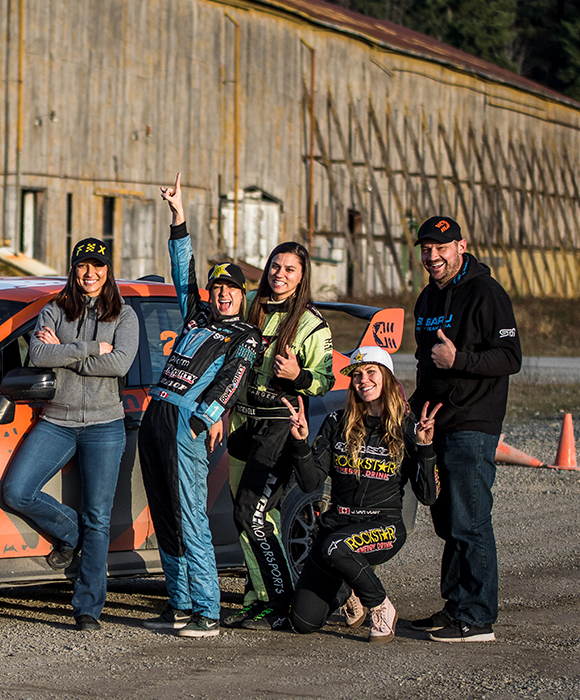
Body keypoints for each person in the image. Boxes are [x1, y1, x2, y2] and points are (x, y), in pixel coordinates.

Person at [138, 173, 261, 638]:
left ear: (243, 294)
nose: (223, 294)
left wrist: (204, 418)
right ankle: (180, 603)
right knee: (165, 514)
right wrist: (178, 216)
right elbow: (182, 271)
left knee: (190, 516)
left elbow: (232, 380)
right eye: (217, 288)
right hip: (156, 414)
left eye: (231, 288)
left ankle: (208, 610)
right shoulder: (198, 315)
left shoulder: (245, 335)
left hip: (185, 422)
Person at [2, 236, 139, 632]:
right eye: (83, 265)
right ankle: (71, 533)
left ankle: (87, 608)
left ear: (107, 270)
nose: (90, 273)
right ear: (73, 269)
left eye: (97, 265)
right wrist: (90, 347)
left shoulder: (124, 315)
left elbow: (119, 364)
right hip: (57, 420)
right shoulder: (54, 309)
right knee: (17, 491)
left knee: (99, 517)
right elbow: (38, 355)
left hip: (105, 425)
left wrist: (64, 350)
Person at [408, 215, 521, 643]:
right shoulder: (427, 298)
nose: (433, 256)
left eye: (441, 247)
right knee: (448, 521)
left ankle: (477, 617)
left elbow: (510, 357)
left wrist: (460, 361)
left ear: (461, 246)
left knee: (470, 520)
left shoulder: (487, 293)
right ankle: (455, 607)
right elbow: (425, 363)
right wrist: (411, 409)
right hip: (436, 423)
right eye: (426, 249)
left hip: (473, 422)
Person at [284, 346, 440, 642]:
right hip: (337, 526)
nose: (362, 380)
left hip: (383, 526)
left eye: (371, 372)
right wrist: (301, 444)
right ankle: (349, 590)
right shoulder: (336, 421)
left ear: (387, 378)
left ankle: (380, 605)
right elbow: (310, 483)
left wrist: (425, 449)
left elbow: (428, 496)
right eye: (356, 375)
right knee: (302, 621)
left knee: (335, 548)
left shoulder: (407, 427)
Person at [224, 241, 334, 631]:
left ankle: (281, 601)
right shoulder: (251, 304)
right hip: (242, 424)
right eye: (275, 266)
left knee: (250, 513)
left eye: (290, 269)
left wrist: (298, 376)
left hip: (279, 430)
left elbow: (325, 381)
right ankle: (258, 598)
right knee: (252, 518)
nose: (280, 274)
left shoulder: (312, 324)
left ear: (302, 276)